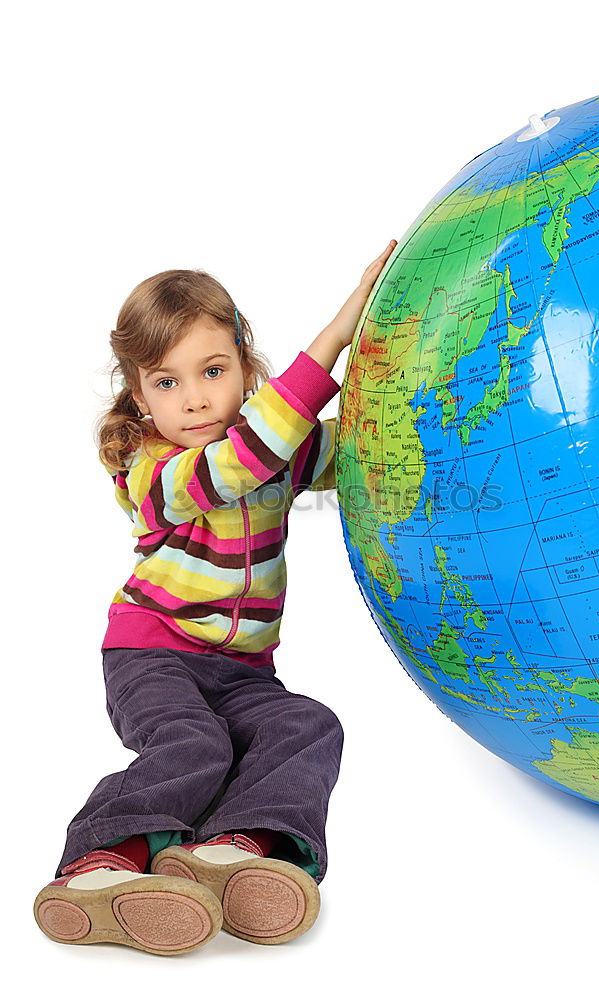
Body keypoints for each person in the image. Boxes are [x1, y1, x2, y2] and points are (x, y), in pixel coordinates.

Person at [33, 239, 398, 956]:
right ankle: (96, 864)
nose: (195, 397)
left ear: (244, 371)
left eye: (212, 371)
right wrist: (332, 338)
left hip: (243, 672)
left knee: (308, 724)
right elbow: (236, 465)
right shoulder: (151, 469)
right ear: (139, 397)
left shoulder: (272, 448)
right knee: (192, 743)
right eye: (166, 384)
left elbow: (352, 448)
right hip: (152, 654)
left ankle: (233, 849)